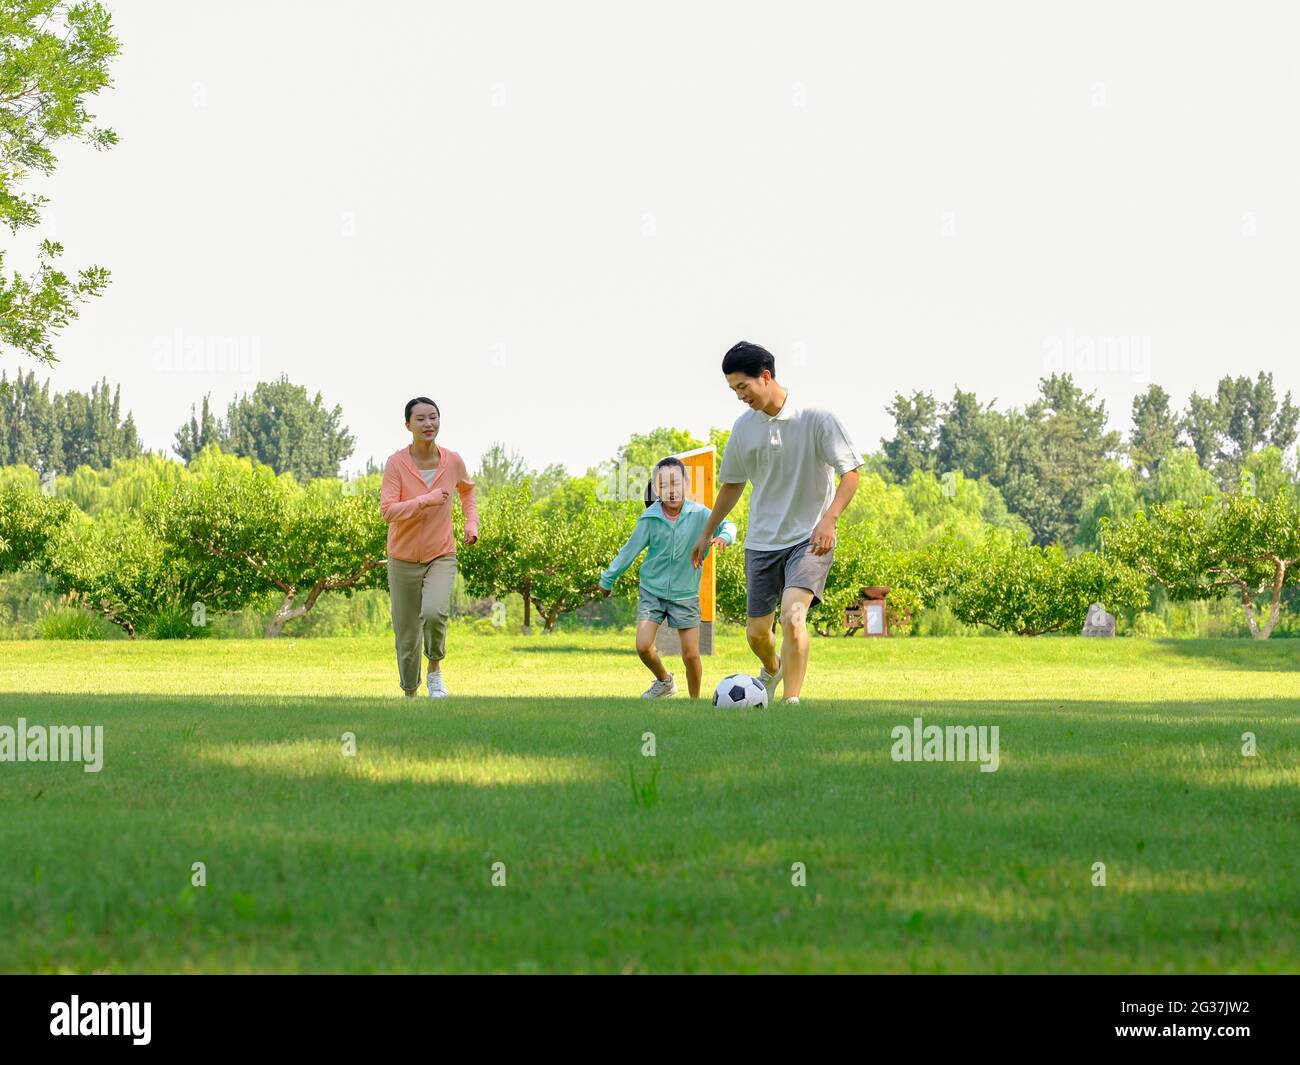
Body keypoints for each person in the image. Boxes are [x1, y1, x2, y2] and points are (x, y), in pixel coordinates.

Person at [690, 341, 862, 705]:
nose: (739, 396)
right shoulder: (743, 428)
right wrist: (706, 533)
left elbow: (851, 474)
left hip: (809, 538)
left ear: (765, 376)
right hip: (762, 542)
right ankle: (772, 668)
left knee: (793, 616)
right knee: (756, 634)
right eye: (733, 389)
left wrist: (829, 520)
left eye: (743, 387)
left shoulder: (816, 420)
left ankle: (792, 700)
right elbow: (733, 484)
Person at [597, 457, 736, 698]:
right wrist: (608, 579)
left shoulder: (700, 514)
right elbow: (629, 551)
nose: (671, 491)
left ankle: (694, 703)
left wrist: (724, 537)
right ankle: (665, 681)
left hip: (685, 594)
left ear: (687, 485)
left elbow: (729, 525)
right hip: (653, 591)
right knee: (642, 645)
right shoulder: (650, 519)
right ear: (656, 490)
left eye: (675, 483)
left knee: (691, 655)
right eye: (663, 486)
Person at [379, 397, 478, 698]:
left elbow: (468, 491)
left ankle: (435, 671)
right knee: (407, 633)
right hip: (403, 558)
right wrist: (426, 500)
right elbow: (388, 511)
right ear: (408, 425)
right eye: (420, 419)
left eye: (433, 417)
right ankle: (410, 693)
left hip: (441, 553)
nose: (428, 424)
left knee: (434, 612)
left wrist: (470, 524)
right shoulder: (396, 464)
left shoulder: (453, 460)